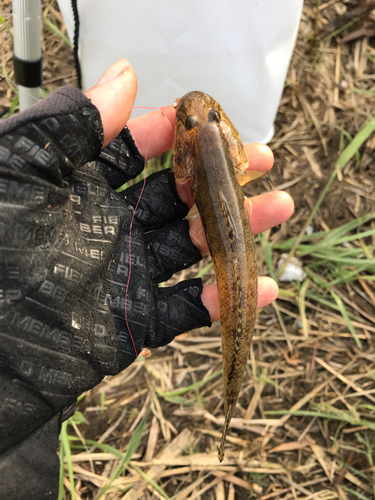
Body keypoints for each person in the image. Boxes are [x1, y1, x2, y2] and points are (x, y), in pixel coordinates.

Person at [0, 59, 294, 499]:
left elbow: (183, 175)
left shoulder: (188, 165)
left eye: (204, 120)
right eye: (199, 120)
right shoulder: (216, 161)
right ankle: (230, 405)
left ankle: (230, 404)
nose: (200, 116)